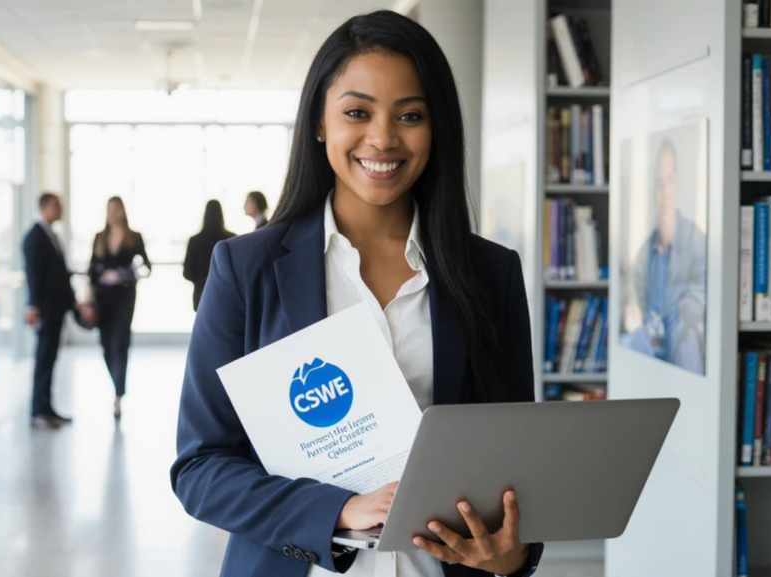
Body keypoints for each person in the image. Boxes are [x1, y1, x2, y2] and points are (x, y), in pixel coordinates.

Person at [171, 11, 543, 577]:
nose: (383, 138)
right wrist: (337, 510)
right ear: (321, 122)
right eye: (356, 112)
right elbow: (200, 466)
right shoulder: (246, 270)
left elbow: (515, 468)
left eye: (410, 115)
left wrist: (513, 557)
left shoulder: (489, 274)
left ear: (436, 125)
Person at [622, 139, 707, 374]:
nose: (665, 194)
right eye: (659, 184)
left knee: (687, 340)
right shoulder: (643, 255)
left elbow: (703, 301)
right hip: (653, 357)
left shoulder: (695, 240)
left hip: (683, 350)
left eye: (669, 182)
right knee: (633, 343)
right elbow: (637, 308)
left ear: (677, 184)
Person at [23, 193, 82, 430]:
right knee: (43, 360)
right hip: (45, 311)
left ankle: (47, 408)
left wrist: (73, 301)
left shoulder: (50, 235)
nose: (62, 210)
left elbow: (59, 274)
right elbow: (34, 276)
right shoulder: (35, 237)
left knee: (50, 359)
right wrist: (33, 306)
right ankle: (38, 411)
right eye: (58, 206)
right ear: (45, 207)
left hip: (54, 310)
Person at [89, 196, 151, 420]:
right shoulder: (99, 237)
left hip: (125, 296)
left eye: (116, 209)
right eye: (109, 209)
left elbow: (146, 267)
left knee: (120, 342)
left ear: (123, 211)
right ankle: (116, 383)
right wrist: (101, 276)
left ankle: (118, 395)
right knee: (106, 343)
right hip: (103, 298)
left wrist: (125, 274)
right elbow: (91, 269)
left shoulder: (134, 237)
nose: (113, 213)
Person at [183, 200, 236, 312]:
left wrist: (201, 281)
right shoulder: (232, 239)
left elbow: (187, 272)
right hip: (227, 296)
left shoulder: (195, 241)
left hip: (201, 295)